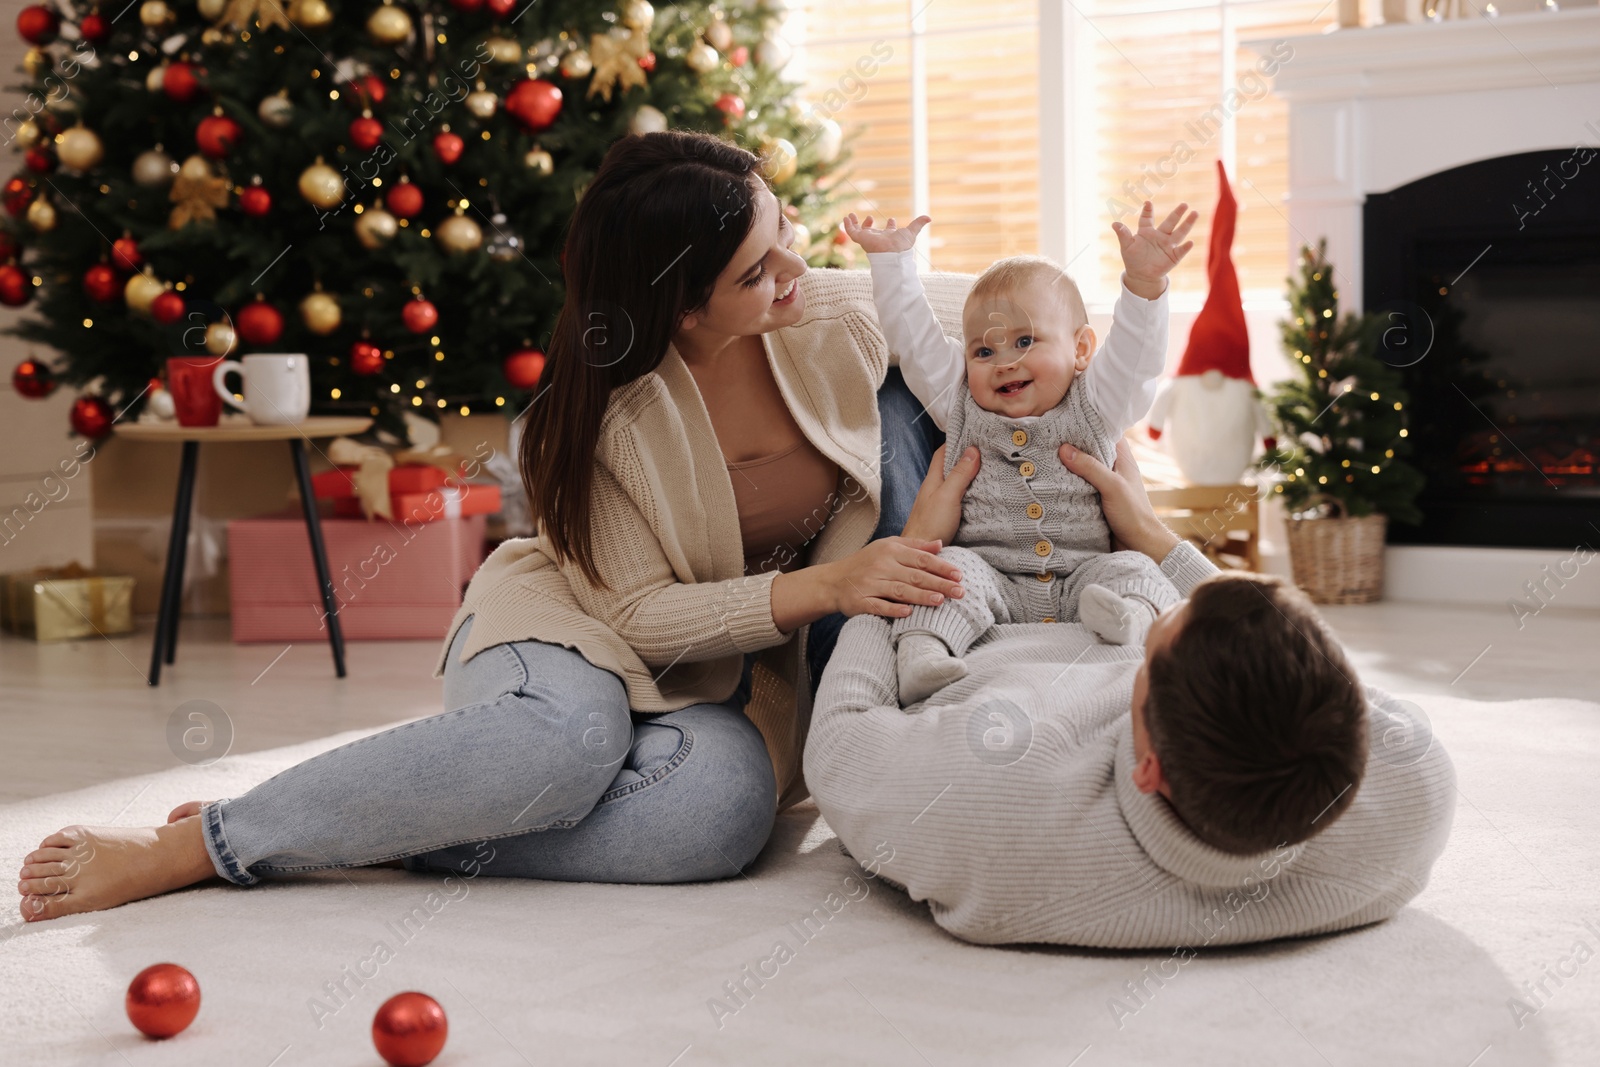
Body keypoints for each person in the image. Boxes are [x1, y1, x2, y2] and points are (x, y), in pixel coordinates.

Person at [16, 131, 984, 921]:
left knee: (716, 817)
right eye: (754, 270)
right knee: (567, 745)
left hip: (735, 671)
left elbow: (1005, 325)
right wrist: (822, 587)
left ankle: (358, 818)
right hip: (576, 622)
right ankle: (208, 839)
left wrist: (1121, 321)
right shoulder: (606, 409)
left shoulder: (840, 315)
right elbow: (640, 613)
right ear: (683, 309)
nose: (793, 266)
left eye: (784, 228)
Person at [805, 439, 1457, 948]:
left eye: (1148, 652)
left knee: (881, 426)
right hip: (1101, 585)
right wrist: (1150, 535)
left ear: (1148, 767)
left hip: (943, 616)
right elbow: (1306, 665)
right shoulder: (1410, 783)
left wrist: (907, 556)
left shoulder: (993, 798)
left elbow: (836, 745)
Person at [843, 205, 1198, 704]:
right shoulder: (960, 402)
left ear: (1080, 350)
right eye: (983, 352)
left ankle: (1128, 621)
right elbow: (916, 341)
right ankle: (923, 653)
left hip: (1085, 578)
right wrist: (892, 264)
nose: (1004, 363)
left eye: (1025, 342)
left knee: (1137, 572)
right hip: (993, 579)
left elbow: (1136, 360)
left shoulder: (1096, 403)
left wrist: (1143, 285)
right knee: (949, 573)